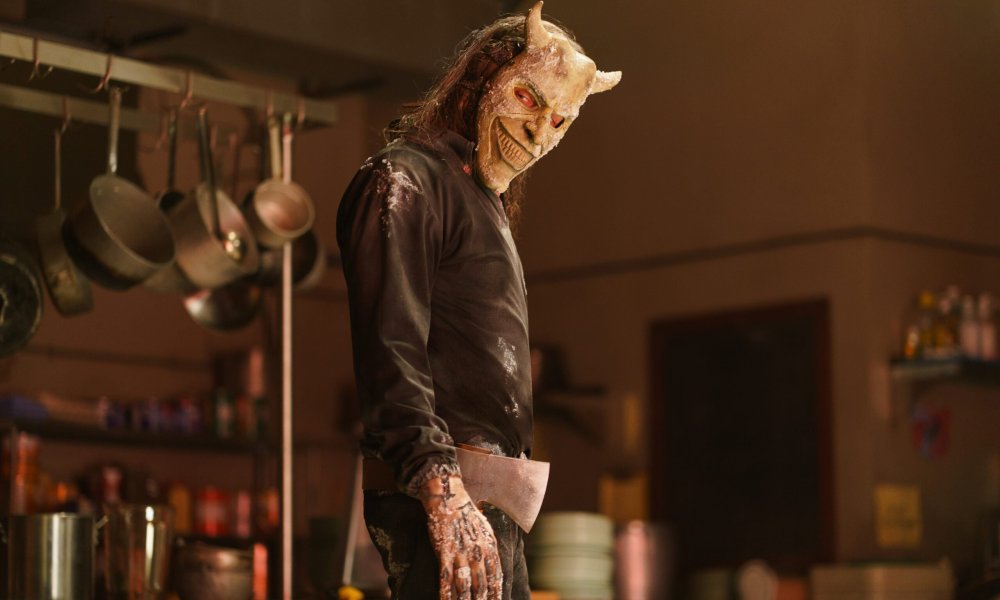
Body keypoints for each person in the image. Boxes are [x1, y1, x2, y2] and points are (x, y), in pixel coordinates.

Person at [336, 3, 620, 598]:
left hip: (486, 505)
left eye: (559, 121)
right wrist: (440, 488)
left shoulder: (477, 200)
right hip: (445, 498)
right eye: (527, 98)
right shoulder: (406, 179)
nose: (537, 134)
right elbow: (391, 348)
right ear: (483, 78)